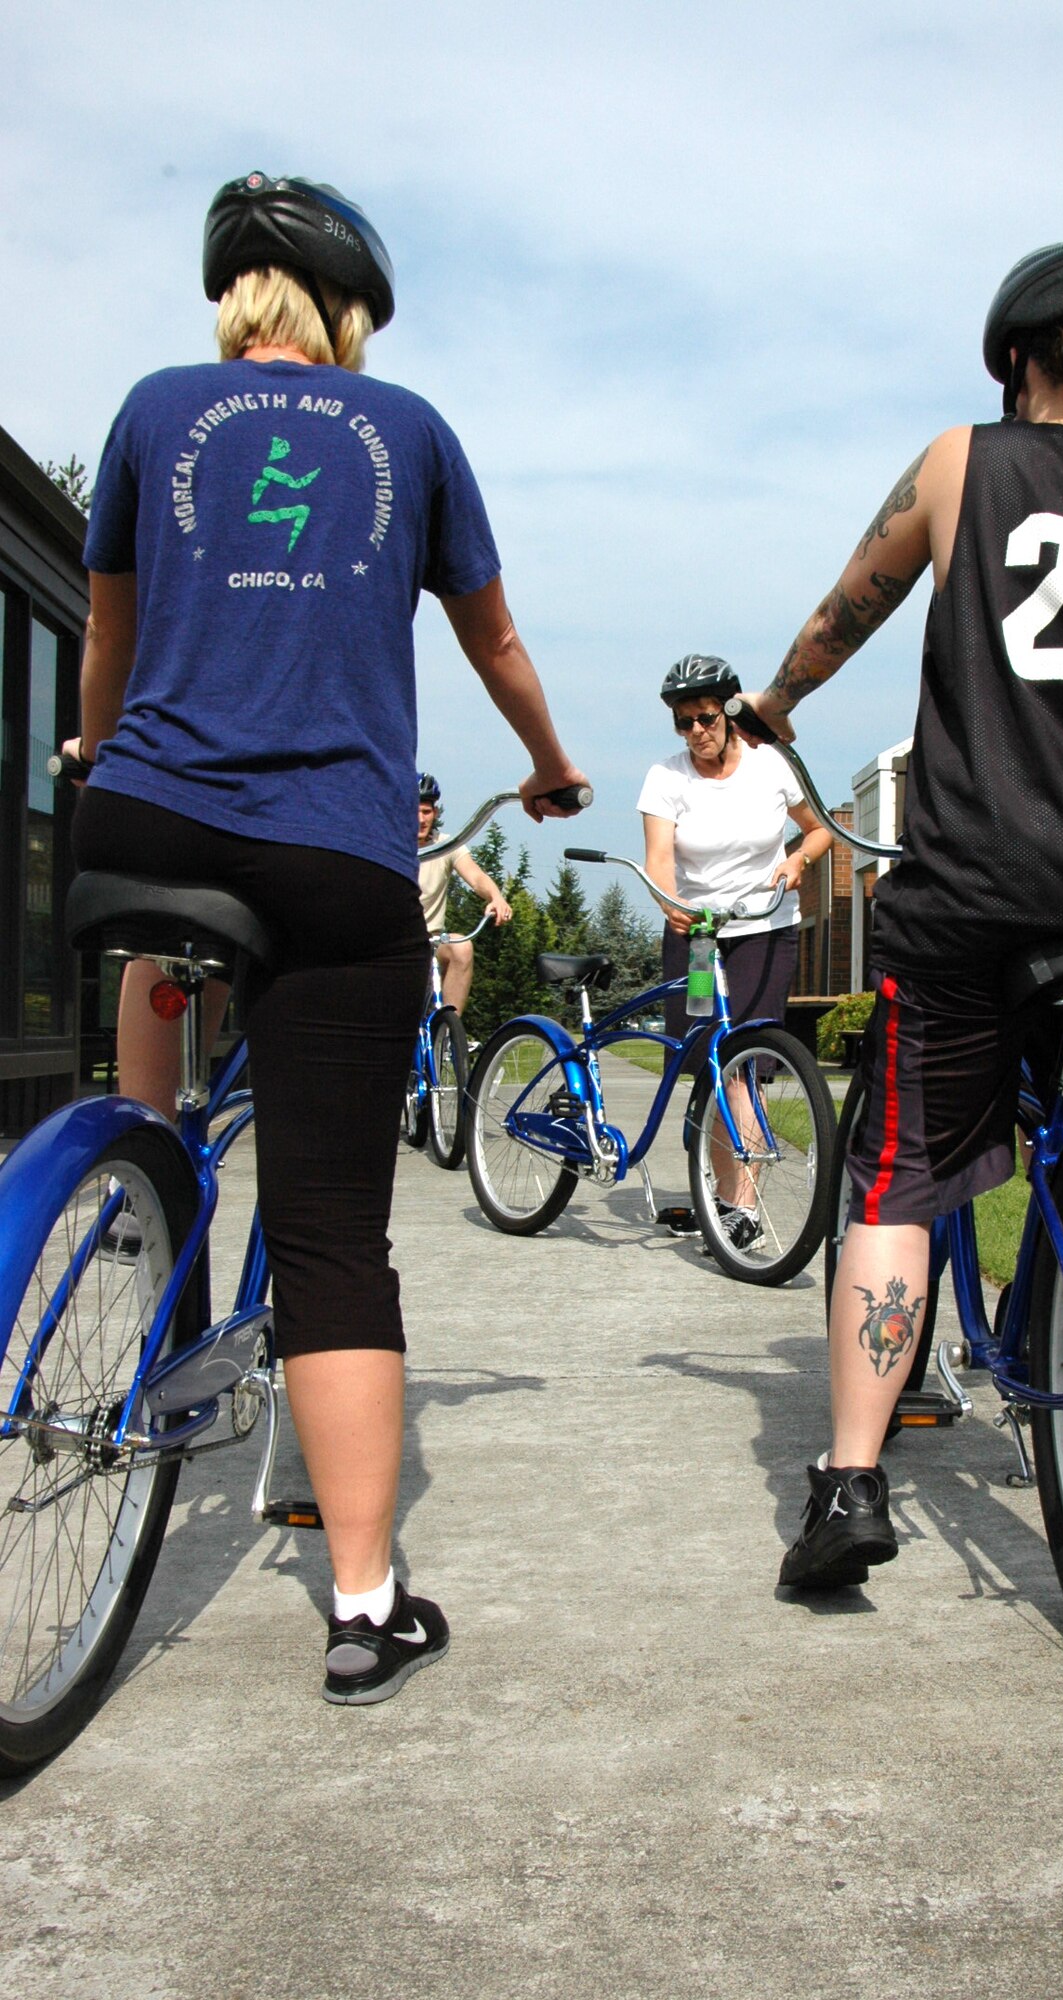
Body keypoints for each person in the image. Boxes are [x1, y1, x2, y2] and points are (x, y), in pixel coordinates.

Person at [66, 171, 588, 1700]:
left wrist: (106, 765)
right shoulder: (410, 429)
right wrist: (550, 767)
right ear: (347, 313)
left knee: (164, 936)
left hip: (146, 820)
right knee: (333, 1242)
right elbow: (491, 636)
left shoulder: (153, 408)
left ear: (234, 298)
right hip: (331, 856)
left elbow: (106, 627)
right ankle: (362, 1601)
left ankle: (139, 1171)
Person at [735, 241, 1063, 1590]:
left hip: (979, 890)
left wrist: (776, 709)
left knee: (896, 1173)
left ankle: (849, 1479)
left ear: (1010, 357)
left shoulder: (959, 463)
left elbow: (843, 613)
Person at [638, 654, 832, 1244]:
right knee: (709, 1065)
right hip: (697, 938)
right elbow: (660, 859)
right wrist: (669, 902)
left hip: (764, 930)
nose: (695, 731)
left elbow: (819, 827)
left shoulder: (771, 767)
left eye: (704, 717)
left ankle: (741, 1205)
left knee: (747, 1062)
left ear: (727, 711)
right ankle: (722, 1194)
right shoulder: (665, 778)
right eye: (682, 721)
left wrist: (799, 859)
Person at [416, 771, 512, 1013]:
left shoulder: (446, 844)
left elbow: (476, 876)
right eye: (414, 810)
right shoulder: (390, 844)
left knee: (462, 947)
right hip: (393, 943)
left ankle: (448, 1035)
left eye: (426, 811)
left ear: (435, 813)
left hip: (432, 942)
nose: (421, 818)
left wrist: (495, 897)